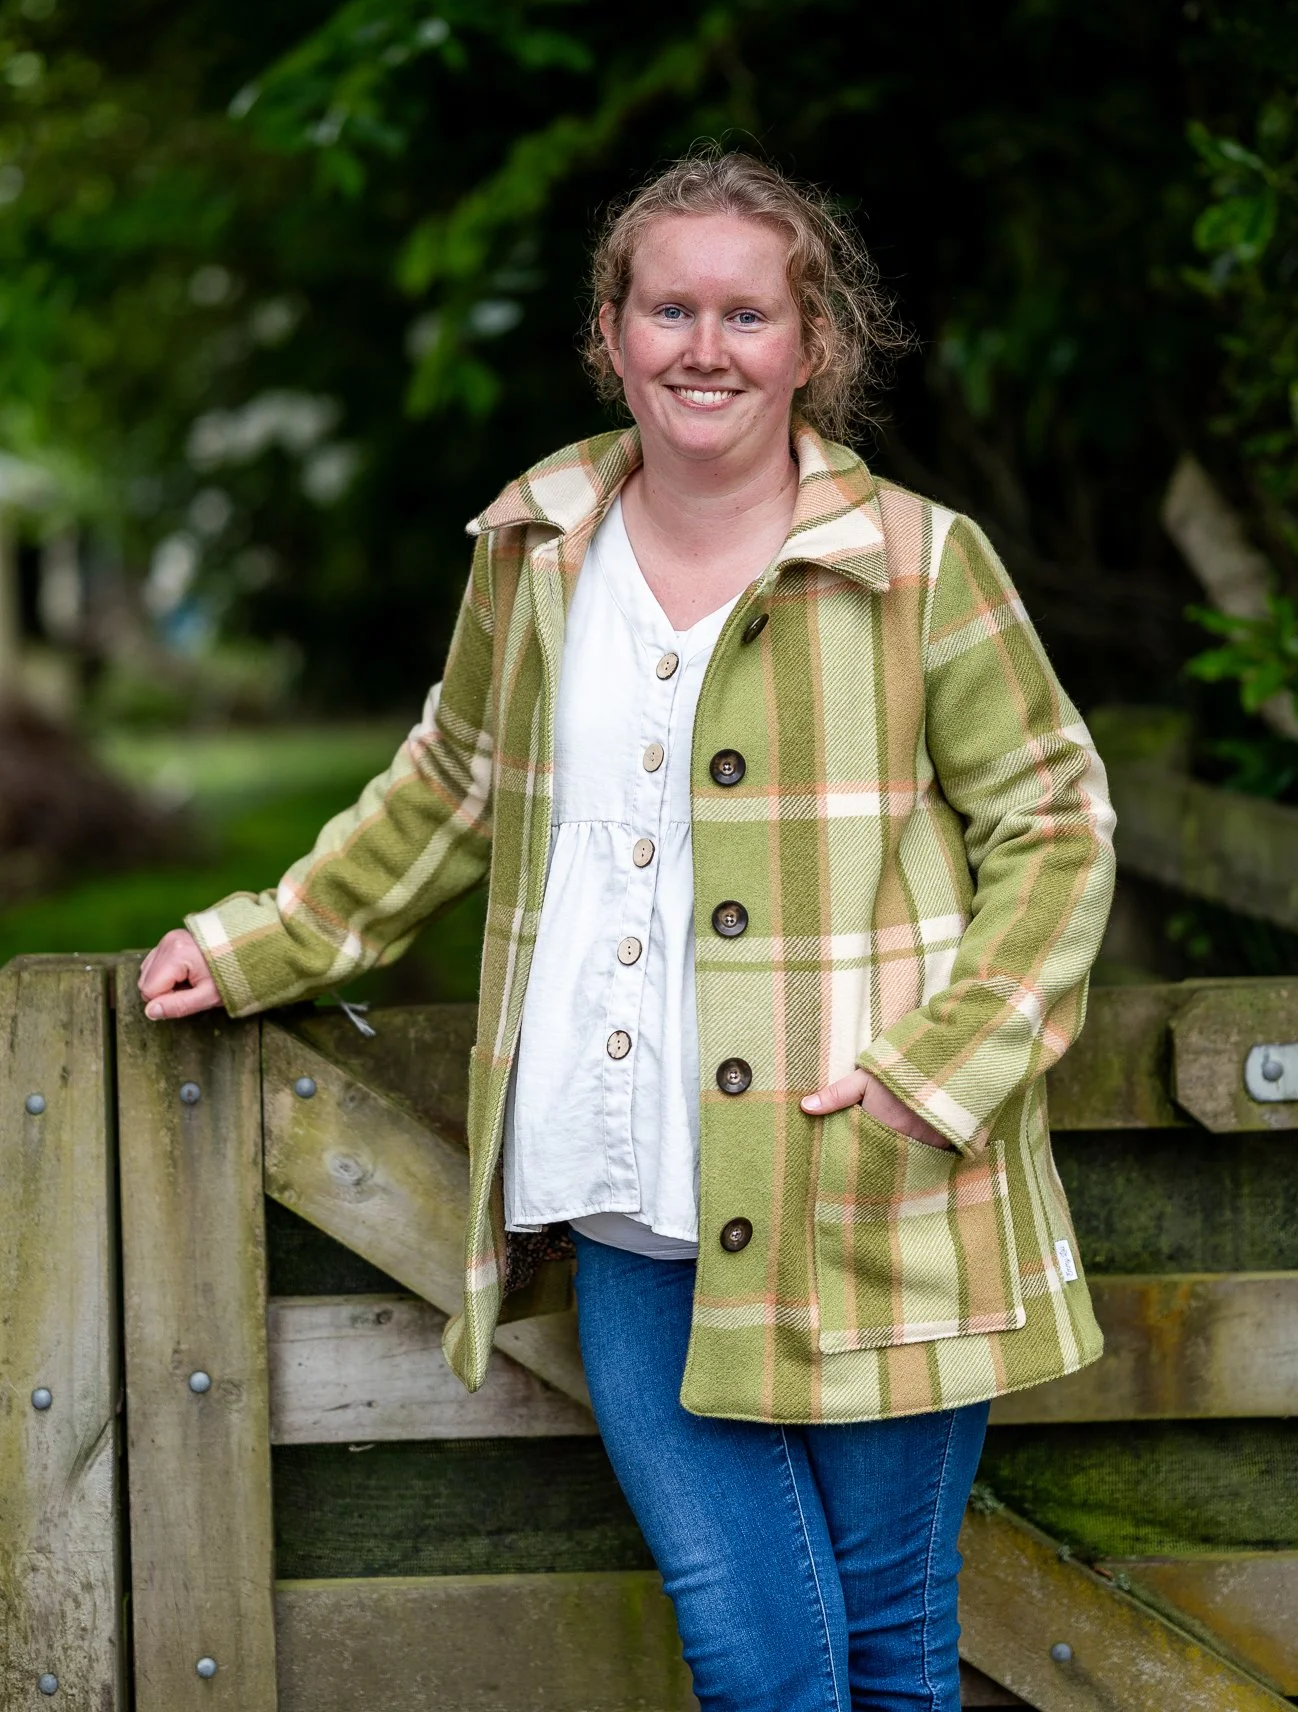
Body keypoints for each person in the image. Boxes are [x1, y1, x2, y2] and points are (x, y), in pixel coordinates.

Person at [140, 149, 1116, 1712]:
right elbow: (453, 784)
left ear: (815, 344)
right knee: (760, 1663)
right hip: (623, 1192)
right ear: (613, 330)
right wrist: (265, 940)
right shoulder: (534, 547)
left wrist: (937, 1074)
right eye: (669, 307)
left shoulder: (922, 567)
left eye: (746, 313)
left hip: (868, 1180)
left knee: (887, 1652)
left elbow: (1057, 827)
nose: (704, 347)